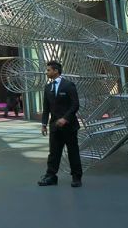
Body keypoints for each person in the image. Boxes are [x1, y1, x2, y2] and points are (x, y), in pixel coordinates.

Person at [38, 60, 83, 188]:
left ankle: (76, 177)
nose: (46, 72)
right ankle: (51, 176)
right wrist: (43, 124)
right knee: (53, 153)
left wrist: (65, 118)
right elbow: (46, 108)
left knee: (73, 152)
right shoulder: (47, 88)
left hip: (69, 126)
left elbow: (75, 105)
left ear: (55, 71)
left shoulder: (69, 85)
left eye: (48, 70)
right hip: (54, 127)